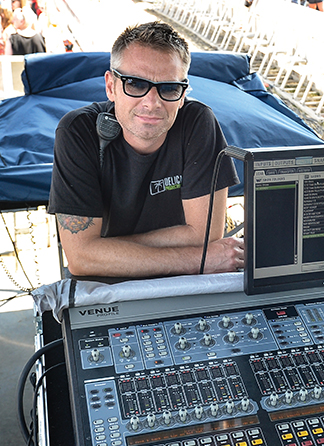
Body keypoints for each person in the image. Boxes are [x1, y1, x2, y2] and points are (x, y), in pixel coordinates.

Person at [48, 21, 244, 280]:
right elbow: (81, 258)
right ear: (111, 87)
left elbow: (204, 234)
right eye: (136, 84)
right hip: (108, 291)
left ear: (183, 94)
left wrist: (107, 249)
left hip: (182, 286)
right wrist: (199, 259)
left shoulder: (198, 122)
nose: (152, 103)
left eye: (169, 88)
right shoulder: (78, 131)